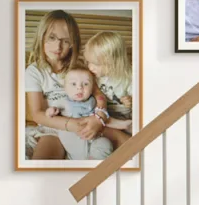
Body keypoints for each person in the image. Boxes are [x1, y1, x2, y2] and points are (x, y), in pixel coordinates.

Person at [24, 9, 111, 161]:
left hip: (87, 119)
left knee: (124, 142)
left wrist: (99, 118)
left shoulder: (79, 67)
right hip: (53, 127)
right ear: (41, 37)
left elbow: (99, 95)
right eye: (52, 38)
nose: (58, 46)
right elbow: (37, 113)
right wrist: (70, 124)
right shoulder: (34, 71)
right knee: (42, 161)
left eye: (66, 40)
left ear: (73, 43)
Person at [83, 30, 136, 147]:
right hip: (103, 114)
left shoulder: (129, 76)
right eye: (88, 62)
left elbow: (142, 99)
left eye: (95, 64)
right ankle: (118, 126)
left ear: (112, 62)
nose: (90, 67)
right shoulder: (93, 75)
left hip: (123, 116)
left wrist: (131, 100)